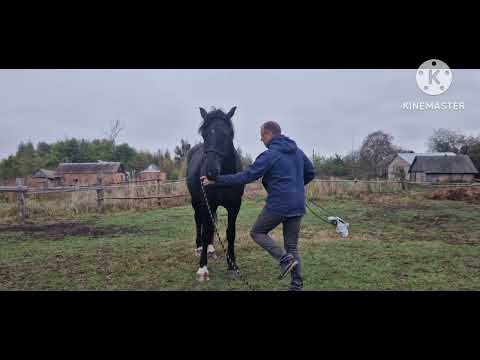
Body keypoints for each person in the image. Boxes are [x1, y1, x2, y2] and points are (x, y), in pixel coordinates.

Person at [201, 121, 315, 291]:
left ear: (269, 134)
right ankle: (297, 286)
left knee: (257, 232)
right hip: (297, 205)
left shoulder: (269, 155)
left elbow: (246, 176)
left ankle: (284, 259)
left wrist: (216, 180)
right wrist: (296, 187)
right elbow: (311, 172)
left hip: (278, 205)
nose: (261, 140)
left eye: (262, 136)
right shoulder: (297, 152)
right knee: (292, 247)